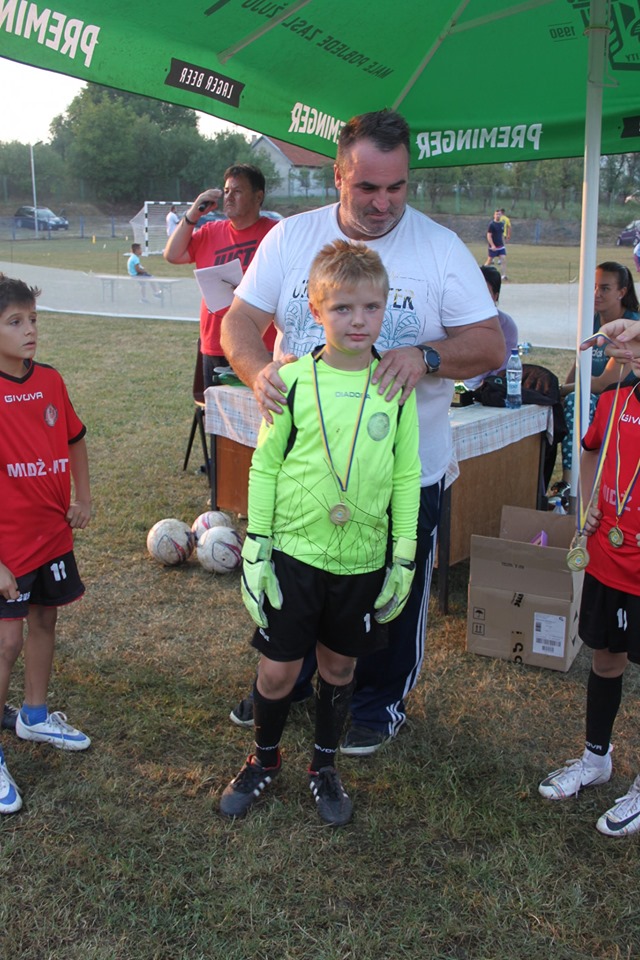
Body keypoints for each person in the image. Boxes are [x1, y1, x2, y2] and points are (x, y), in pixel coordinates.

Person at [220, 108, 503, 755]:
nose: (383, 203)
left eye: (396, 187)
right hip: (304, 469)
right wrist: (259, 371)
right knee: (294, 580)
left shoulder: (438, 249)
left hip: (400, 471)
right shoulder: (291, 239)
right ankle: (288, 683)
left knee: (386, 595)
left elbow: (489, 344)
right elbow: (238, 322)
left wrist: (426, 356)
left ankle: (378, 704)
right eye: (367, 187)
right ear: (338, 175)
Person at [220, 240, 421, 825]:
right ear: (315, 310)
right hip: (293, 554)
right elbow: (265, 466)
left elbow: (406, 475)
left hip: (361, 559)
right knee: (278, 670)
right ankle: (263, 759)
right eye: (342, 308)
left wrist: (403, 556)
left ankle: (324, 767)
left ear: (385, 308)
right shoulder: (291, 381)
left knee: (339, 668)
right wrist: (256, 546)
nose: (358, 321)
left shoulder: (394, 385)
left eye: (371, 308)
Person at [538, 348, 640, 837]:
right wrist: (589, 504)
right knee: (604, 659)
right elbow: (591, 449)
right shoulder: (618, 397)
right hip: (607, 556)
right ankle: (596, 758)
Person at [0, 275, 92, 815]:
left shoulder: (51, 381)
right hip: (7, 546)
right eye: (15, 322)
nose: (29, 329)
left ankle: (34, 715)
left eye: (32, 319)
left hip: (51, 534)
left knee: (43, 620)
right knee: (4, 642)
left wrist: (84, 497)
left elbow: (74, 438)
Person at [164, 163, 278, 389]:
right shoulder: (211, 232)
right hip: (215, 343)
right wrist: (193, 213)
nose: (229, 197)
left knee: (260, 409)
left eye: (237, 191)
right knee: (215, 409)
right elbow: (172, 255)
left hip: (259, 345)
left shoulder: (276, 233)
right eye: (226, 191)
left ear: (258, 197)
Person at [556, 263, 639, 487]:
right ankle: (556, 486)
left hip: (622, 403)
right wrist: (561, 391)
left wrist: (563, 390)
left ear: (622, 292)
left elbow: (603, 384)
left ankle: (570, 485)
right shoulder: (590, 321)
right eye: (593, 287)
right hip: (595, 398)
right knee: (554, 405)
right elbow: (579, 364)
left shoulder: (632, 328)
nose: (596, 294)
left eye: (604, 288)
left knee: (576, 401)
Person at [464, 266, 518, 390]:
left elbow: (501, 371)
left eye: (485, 294)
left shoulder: (506, 326)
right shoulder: (455, 321)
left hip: (490, 389)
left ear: (495, 296)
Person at [484, 209, 508, 279]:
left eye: (499, 214)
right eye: (497, 214)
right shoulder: (492, 224)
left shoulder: (502, 224)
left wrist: (504, 244)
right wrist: (492, 245)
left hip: (501, 246)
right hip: (493, 247)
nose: (498, 215)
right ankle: (482, 272)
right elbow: (489, 235)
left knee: (503, 259)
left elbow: (501, 235)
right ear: (494, 215)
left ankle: (503, 275)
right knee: (489, 261)